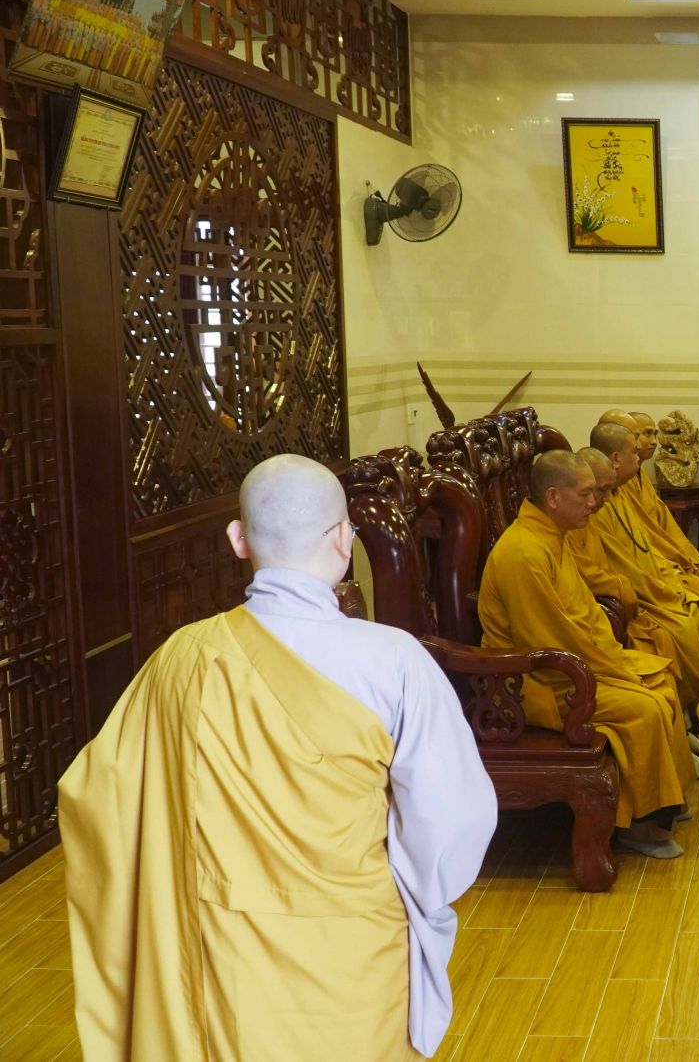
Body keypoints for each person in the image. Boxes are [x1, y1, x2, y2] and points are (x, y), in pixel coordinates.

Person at [58, 454, 498, 1060]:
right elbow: (452, 823)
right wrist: (418, 895)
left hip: (221, 947)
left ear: (237, 539)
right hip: (353, 946)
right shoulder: (394, 661)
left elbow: (99, 794)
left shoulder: (181, 659)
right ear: (344, 539)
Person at [478, 449, 694, 859]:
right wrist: (614, 670)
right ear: (554, 497)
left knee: (661, 677)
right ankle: (639, 826)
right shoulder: (524, 553)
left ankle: (667, 801)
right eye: (586, 495)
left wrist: (616, 659)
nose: (594, 504)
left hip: (576, 662)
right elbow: (547, 638)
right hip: (537, 684)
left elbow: (584, 614)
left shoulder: (550, 536)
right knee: (644, 707)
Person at [587, 427, 699, 705]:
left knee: (697, 587)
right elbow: (617, 566)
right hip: (632, 599)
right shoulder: (592, 511)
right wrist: (660, 591)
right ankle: (694, 708)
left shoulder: (620, 492)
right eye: (634, 450)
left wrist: (677, 563)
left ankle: (696, 706)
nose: (596, 500)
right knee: (683, 628)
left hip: (648, 581)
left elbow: (650, 537)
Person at [610, 409, 699, 616]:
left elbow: (665, 527)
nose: (654, 441)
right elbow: (638, 540)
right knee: (691, 601)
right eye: (645, 434)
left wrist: (686, 557)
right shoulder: (615, 488)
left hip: (658, 557)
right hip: (649, 563)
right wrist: (672, 563)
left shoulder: (641, 478)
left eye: (655, 434)